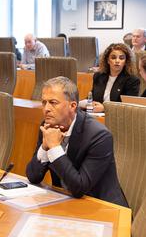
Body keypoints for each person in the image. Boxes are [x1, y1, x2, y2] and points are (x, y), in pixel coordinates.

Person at [26, 76, 128, 207]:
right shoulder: (48, 127)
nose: (46, 108)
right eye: (44, 102)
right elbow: (33, 176)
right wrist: (44, 148)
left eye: (53, 102)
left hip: (102, 206)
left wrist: (54, 148)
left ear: (72, 106)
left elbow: (79, 188)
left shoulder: (99, 136)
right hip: (68, 203)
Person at [86, 43, 139, 113]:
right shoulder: (98, 76)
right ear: (107, 60)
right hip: (96, 115)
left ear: (126, 61)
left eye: (121, 58)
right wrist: (85, 103)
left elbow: (129, 107)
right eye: (113, 57)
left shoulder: (132, 80)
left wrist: (105, 108)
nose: (117, 61)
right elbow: (92, 98)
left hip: (117, 118)